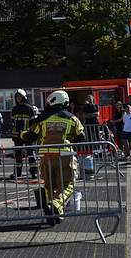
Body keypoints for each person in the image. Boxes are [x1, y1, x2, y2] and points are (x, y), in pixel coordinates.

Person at [21, 90, 85, 226]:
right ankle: (56, 205)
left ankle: (55, 215)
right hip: (65, 156)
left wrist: (20, 134)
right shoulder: (72, 119)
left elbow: (29, 137)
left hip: (46, 157)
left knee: (49, 186)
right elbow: (82, 138)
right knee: (68, 185)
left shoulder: (42, 119)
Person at [10, 89, 38, 179]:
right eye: (17, 97)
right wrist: (13, 134)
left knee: (31, 154)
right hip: (17, 136)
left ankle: (34, 172)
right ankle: (17, 173)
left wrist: (32, 134)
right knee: (18, 155)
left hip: (27, 135)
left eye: (19, 96)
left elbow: (34, 123)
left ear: (24, 97)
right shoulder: (14, 109)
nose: (18, 98)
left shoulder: (29, 108)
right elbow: (13, 123)